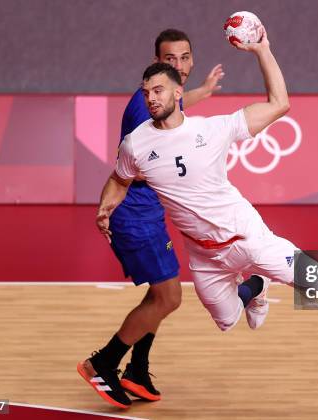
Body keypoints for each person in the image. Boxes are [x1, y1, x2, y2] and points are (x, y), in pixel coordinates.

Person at [94, 28, 318, 406]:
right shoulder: (136, 143)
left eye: (159, 91)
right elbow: (119, 179)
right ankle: (255, 287)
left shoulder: (213, 129)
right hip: (205, 256)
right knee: (227, 319)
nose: (151, 98)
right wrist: (106, 207)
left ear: (178, 93)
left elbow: (279, 103)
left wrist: (262, 50)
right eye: (147, 91)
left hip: (248, 237)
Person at [77, 29, 266, 409]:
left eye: (183, 58)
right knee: (169, 296)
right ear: (156, 64)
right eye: (169, 60)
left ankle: (138, 369)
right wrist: (108, 206)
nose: (177, 65)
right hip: (135, 215)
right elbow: (125, 165)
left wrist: (205, 92)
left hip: (152, 214)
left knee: (160, 295)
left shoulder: (168, 99)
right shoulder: (145, 105)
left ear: (191, 62)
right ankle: (104, 362)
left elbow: (180, 102)